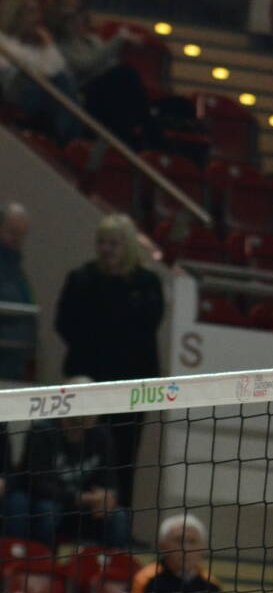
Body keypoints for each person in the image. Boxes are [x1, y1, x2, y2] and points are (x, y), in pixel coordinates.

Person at [55, 213, 165, 502]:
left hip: (130, 389)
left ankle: (120, 516)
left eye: (113, 243)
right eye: (102, 242)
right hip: (88, 383)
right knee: (81, 452)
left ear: (127, 246)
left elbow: (146, 329)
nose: (106, 249)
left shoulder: (147, 284)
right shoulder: (81, 279)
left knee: (124, 456)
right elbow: (64, 324)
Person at [3, 394, 133, 550]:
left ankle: (111, 564)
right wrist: (77, 497)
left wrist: (107, 495)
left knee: (118, 516)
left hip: (86, 502)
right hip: (50, 499)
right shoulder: (43, 431)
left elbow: (110, 479)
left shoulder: (102, 435)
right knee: (46, 511)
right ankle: (43, 561)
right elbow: (37, 483)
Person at [42, 0, 158, 149]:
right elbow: (86, 65)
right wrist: (119, 39)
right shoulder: (60, 47)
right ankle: (148, 134)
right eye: (69, 18)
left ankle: (144, 133)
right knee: (124, 75)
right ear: (58, 22)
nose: (77, 20)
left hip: (108, 95)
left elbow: (108, 63)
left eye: (78, 14)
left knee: (172, 104)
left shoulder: (91, 40)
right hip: (87, 98)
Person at [0, 0, 83, 141]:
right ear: (15, 15)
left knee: (63, 82)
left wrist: (46, 45)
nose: (36, 18)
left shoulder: (32, 44)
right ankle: (66, 140)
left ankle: (69, 140)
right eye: (30, 12)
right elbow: (47, 71)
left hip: (39, 89)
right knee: (60, 82)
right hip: (15, 94)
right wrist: (49, 44)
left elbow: (60, 68)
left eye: (36, 12)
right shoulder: (3, 41)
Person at [0, 203, 34, 381]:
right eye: (13, 232)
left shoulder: (17, 270)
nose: (17, 239)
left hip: (14, 364)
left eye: (21, 234)